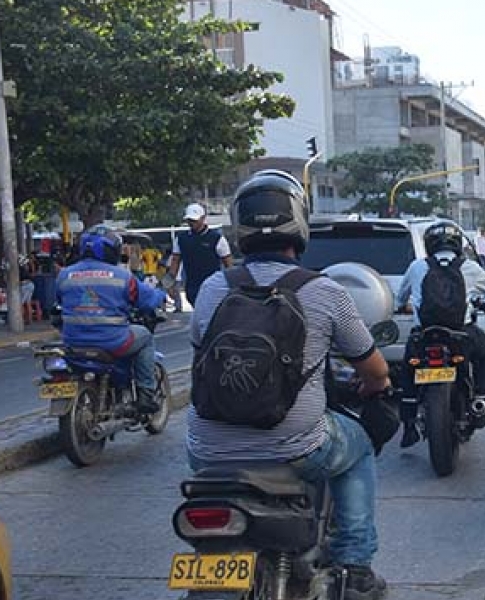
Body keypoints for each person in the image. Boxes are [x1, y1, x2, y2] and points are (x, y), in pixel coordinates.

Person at [187, 170, 392, 599]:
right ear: (298, 225)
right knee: (357, 448)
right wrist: (375, 386)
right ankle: (355, 565)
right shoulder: (324, 291)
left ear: (240, 227)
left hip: (206, 451)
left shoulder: (211, 288)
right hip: (295, 447)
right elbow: (373, 370)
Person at [395, 220, 485, 448]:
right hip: (460, 334)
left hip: (424, 334)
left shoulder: (417, 267)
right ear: (457, 243)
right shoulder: (470, 268)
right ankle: (482, 400)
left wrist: (405, 307)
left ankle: (408, 424)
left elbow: (400, 300)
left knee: (407, 369)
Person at [57, 226, 166, 413]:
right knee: (146, 337)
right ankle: (146, 395)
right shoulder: (122, 276)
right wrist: (161, 295)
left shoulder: (64, 275)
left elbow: (58, 302)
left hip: (73, 343)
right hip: (113, 342)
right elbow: (147, 300)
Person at [167, 203, 232, 307]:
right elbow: (175, 262)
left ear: (203, 218)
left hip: (214, 286)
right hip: (192, 287)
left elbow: (228, 264)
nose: (191, 223)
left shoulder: (217, 239)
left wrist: (231, 286)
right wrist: (169, 285)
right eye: (189, 220)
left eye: (194, 220)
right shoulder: (180, 239)